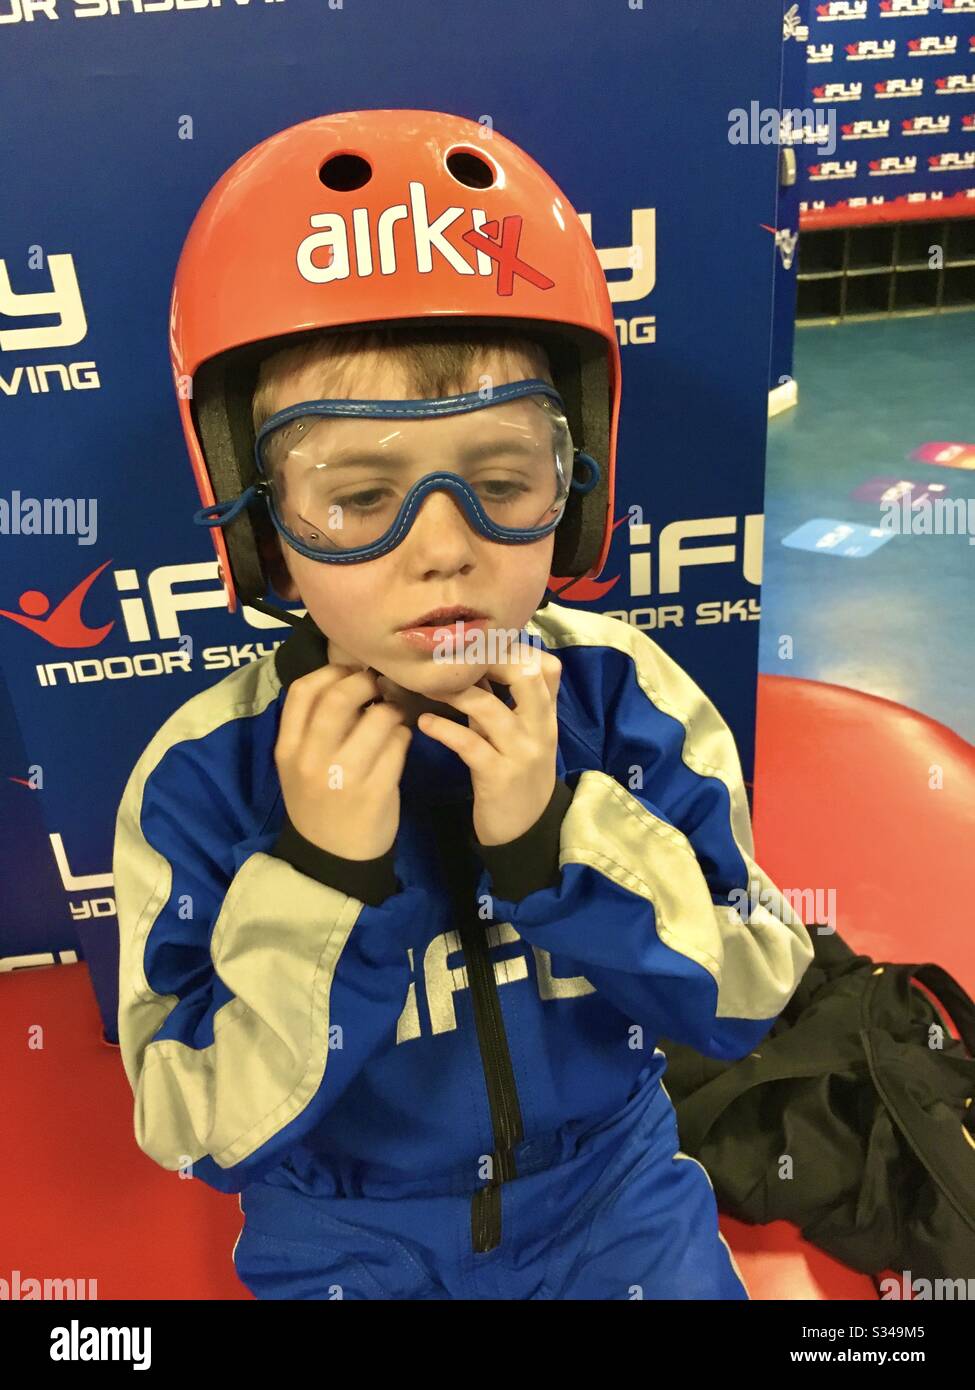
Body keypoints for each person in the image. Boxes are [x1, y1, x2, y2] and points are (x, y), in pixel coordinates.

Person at [113, 110, 814, 1300]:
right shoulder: (203, 779)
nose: (444, 550)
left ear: (572, 478)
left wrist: (561, 839)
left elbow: (751, 996)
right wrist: (327, 885)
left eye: (499, 481)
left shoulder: (627, 700)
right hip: (344, 1233)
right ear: (255, 511)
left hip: (613, 1197)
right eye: (359, 495)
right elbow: (197, 1128)